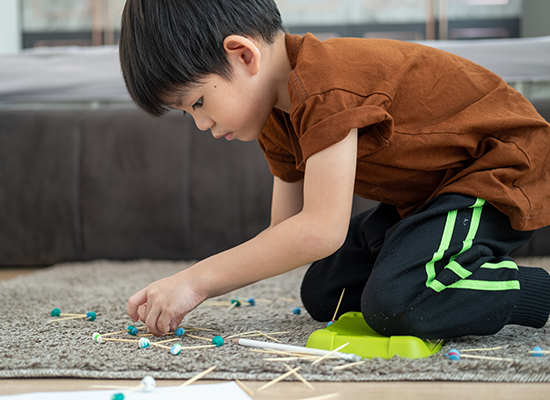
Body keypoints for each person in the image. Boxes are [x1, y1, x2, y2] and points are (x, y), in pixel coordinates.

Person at [119, 0, 550, 339]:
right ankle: (434, 265)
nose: (201, 124)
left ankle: (537, 292)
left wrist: (196, 281)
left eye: (197, 102)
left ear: (243, 55)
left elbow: (321, 230)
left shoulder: (324, 85)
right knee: (326, 291)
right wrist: (194, 283)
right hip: (433, 196)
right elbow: (286, 230)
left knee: (396, 302)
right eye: (185, 113)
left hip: (502, 170)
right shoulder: (276, 118)